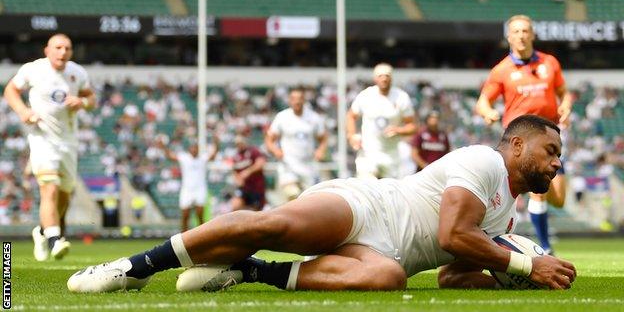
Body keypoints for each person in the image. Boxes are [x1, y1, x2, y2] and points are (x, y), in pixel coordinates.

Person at [67, 115, 576, 293]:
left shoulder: (506, 212)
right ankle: (133, 267)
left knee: (387, 280)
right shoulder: (482, 161)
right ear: (516, 145)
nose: (556, 163)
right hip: (369, 206)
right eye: (550, 150)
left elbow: (450, 272)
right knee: (273, 224)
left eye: (560, 155)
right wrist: (527, 261)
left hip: (386, 256)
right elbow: (451, 237)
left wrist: (512, 275)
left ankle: (247, 273)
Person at [475, 14, 573, 254]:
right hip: (522, 138)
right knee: (537, 192)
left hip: (552, 135)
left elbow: (565, 92)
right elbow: (483, 102)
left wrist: (566, 106)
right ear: (509, 36)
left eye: (525, 31)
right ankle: (546, 247)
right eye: (516, 31)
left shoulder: (550, 63)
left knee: (558, 198)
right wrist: (488, 112)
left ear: (532, 35)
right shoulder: (502, 70)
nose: (521, 35)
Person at [4, 33, 95, 261]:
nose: (62, 52)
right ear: (47, 50)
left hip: (68, 142)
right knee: (49, 189)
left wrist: (83, 102)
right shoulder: (33, 70)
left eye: (67, 48)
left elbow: (92, 98)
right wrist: (23, 111)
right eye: (58, 47)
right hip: (42, 139)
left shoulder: (77, 73)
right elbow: (10, 90)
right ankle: (55, 240)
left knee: (64, 195)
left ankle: (42, 231)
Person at [346, 63, 417, 179]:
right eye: (380, 76)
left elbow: (412, 126)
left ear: (391, 78)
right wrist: (352, 136)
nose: (384, 79)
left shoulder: (401, 97)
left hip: (391, 154)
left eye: (387, 76)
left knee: (389, 192)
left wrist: (398, 130)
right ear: (375, 78)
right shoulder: (366, 95)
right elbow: (350, 116)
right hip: (368, 152)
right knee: (367, 185)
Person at [265, 86, 328, 201]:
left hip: (307, 165)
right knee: (292, 194)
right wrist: (275, 150)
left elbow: (323, 138)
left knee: (308, 200)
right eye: (294, 98)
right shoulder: (282, 117)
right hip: (288, 164)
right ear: (289, 100)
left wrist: (320, 150)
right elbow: (269, 140)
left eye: (300, 98)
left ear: (304, 100)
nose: (297, 101)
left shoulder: (314, 118)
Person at [162, 139, 218, 232]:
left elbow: (213, 156)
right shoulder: (184, 158)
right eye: (193, 147)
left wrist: (217, 144)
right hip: (187, 189)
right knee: (185, 215)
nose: (194, 150)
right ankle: (183, 239)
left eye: (196, 148)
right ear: (189, 149)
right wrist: (163, 147)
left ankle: (202, 236)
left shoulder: (202, 158)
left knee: (199, 214)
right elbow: (170, 156)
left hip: (200, 189)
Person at [231, 134, 266, 211]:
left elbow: (261, 163)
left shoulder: (253, 151)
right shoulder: (236, 156)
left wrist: (248, 171)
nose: (239, 145)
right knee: (235, 206)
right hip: (244, 189)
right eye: (237, 144)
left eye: (240, 143)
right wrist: (238, 180)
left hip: (256, 188)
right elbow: (235, 171)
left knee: (255, 211)